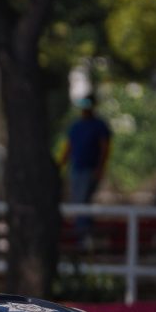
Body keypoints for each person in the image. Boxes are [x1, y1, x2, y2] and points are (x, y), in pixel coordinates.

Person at [59, 94, 111, 242]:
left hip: (89, 170)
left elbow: (105, 148)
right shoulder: (76, 126)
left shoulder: (99, 126)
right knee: (78, 203)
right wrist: (59, 167)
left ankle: (82, 238)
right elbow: (68, 149)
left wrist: (100, 168)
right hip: (76, 169)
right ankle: (82, 236)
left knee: (82, 203)